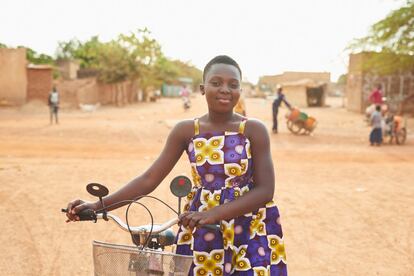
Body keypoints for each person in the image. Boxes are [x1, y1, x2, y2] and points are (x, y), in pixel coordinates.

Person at [65, 55, 288, 275]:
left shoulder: (253, 130)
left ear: (240, 90)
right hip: (203, 229)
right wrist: (97, 206)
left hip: (249, 229)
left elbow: (265, 190)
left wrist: (216, 213)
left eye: (233, 84)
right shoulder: (186, 131)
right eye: (216, 82)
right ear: (202, 88)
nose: (225, 89)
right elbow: (148, 180)